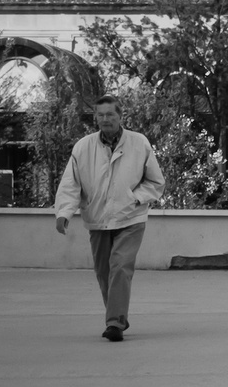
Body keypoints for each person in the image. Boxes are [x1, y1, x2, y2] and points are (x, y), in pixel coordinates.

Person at [52, 95, 164, 342]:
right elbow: (71, 184)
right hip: (97, 218)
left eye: (110, 114)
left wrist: (134, 198)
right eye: (100, 115)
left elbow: (156, 182)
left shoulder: (139, 143)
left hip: (131, 218)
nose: (105, 119)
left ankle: (114, 323)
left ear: (120, 116)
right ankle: (118, 314)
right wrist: (63, 213)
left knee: (120, 267)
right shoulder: (83, 147)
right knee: (104, 272)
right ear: (95, 117)